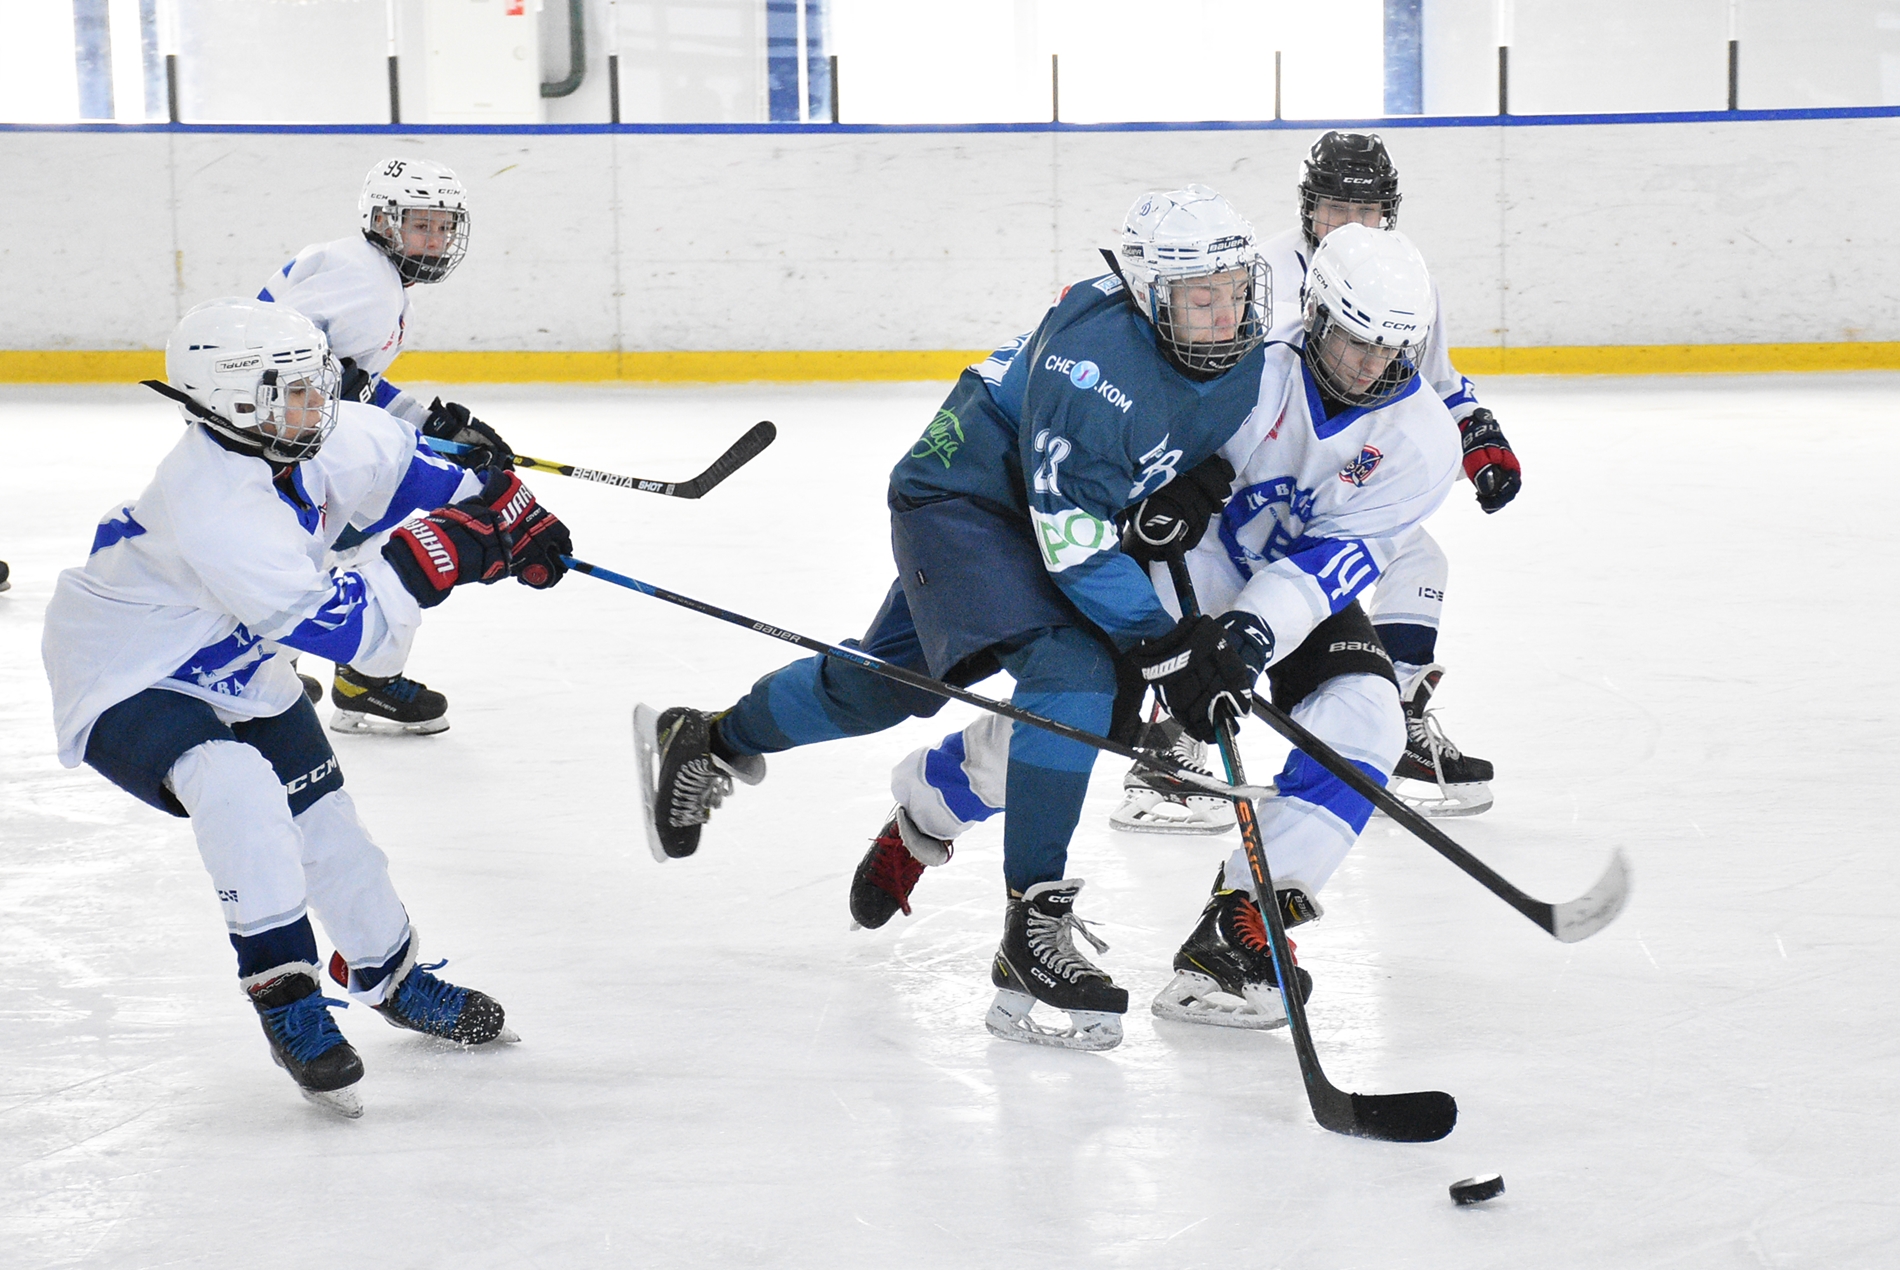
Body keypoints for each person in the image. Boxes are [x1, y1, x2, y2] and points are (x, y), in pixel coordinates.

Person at [634, 185, 1274, 1052]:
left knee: (881, 688)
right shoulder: (1097, 371)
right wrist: (1163, 645)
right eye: (1201, 295)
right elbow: (1073, 535)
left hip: (1034, 506)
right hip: (965, 499)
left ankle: (711, 737)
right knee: (1076, 681)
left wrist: (1187, 483)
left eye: (1236, 288)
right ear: (1149, 294)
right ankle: (1030, 929)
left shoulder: (1234, 354)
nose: (1224, 313)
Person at [855, 226, 1461, 1031]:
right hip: (1183, 572)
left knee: (1368, 721)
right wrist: (1182, 494)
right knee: (1080, 724)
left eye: (1392, 348)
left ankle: (1240, 932)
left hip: (1291, 589)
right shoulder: (1247, 356)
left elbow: (1338, 565)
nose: (1369, 365)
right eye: (1353, 340)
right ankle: (926, 811)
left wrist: (1250, 634)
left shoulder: (1424, 441)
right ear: (1316, 315)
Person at [42, 299, 572, 1116]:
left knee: (330, 831)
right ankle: (284, 994)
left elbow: (420, 468)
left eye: (315, 384)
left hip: (240, 659)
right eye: (289, 391)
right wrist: (454, 548)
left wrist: (505, 504)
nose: (315, 404)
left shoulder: (316, 433)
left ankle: (388, 978)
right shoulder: (216, 506)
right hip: (129, 668)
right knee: (236, 788)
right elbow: (352, 634)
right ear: (229, 400)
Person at [259, 156, 515, 736]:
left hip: (281, 440)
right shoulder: (367, 282)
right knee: (356, 550)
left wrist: (431, 424)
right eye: (421, 225)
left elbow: (352, 381)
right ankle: (353, 681)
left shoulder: (367, 272)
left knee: (330, 549)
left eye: (445, 226)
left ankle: (285, 669)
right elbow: (289, 363)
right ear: (382, 220)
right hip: (276, 446)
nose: (437, 239)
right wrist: (419, 441)